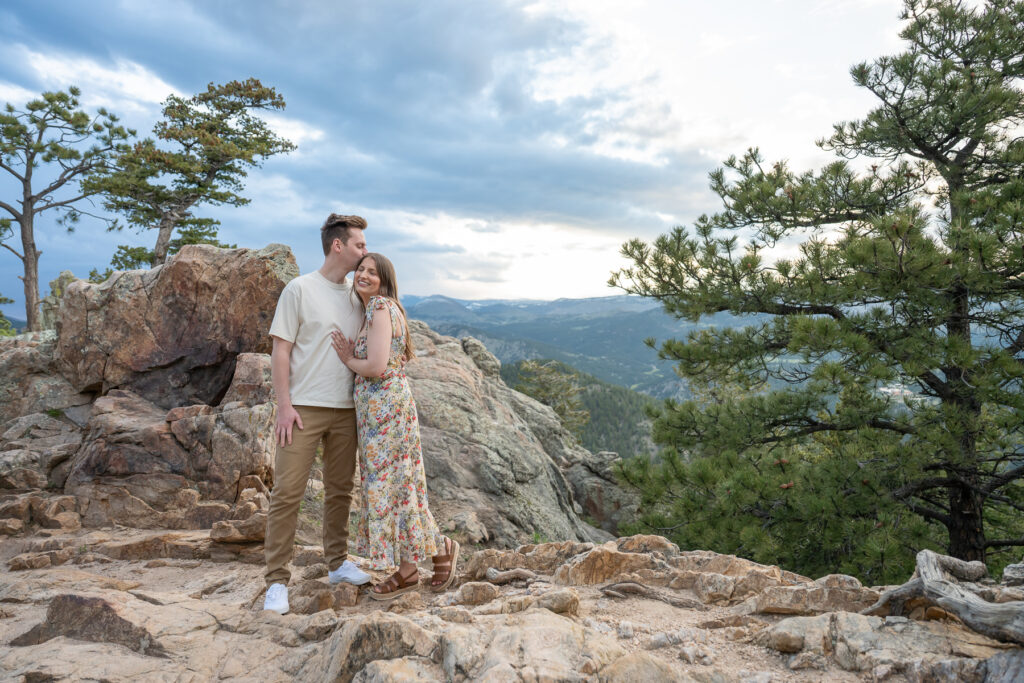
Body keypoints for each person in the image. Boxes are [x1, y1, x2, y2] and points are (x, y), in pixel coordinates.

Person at [331, 253, 459, 600]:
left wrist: (347, 359)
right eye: (361, 269)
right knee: (400, 485)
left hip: (386, 410)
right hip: (383, 411)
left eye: (373, 272)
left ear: (385, 280)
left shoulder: (379, 308)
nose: (364, 275)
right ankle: (435, 550)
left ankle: (409, 569)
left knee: (395, 487)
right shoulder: (383, 309)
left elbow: (374, 365)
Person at [262, 214, 372, 615]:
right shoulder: (300, 289)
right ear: (338, 245)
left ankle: (338, 563)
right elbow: (281, 350)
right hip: (303, 409)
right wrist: (284, 405)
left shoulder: (356, 295)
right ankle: (276, 581)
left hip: (347, 410)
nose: (365, 251)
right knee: (288, 493)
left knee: (340, 491)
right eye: (359, 245)